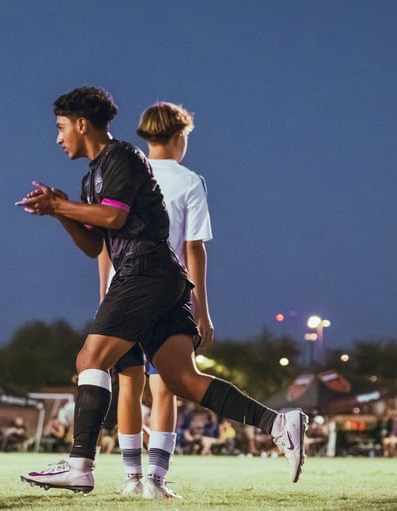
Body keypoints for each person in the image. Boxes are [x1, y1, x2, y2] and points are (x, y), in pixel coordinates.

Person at [17, 86, 307, 496]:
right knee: (183, 379)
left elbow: (115, 219)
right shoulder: (92, 176)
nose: (58, 137)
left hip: (145, 273)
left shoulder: (123, 157)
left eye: (61, 128)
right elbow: (95, 244)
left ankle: (81, 465)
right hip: (162, 279)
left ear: (82, 124)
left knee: (90, 358)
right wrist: (60, 211)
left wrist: (60, 208)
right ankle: (279, 423)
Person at [100, 101, 215, 498]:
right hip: (168, 293)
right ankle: (156, 481)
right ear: (179, 137)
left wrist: (105, 294)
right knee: (167, 387)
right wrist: (201, 308)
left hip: (124, 290)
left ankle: (131, 478)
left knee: (128, 387)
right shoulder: (190, 181)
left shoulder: (125, 174)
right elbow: (194, 248)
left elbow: (104, 243)